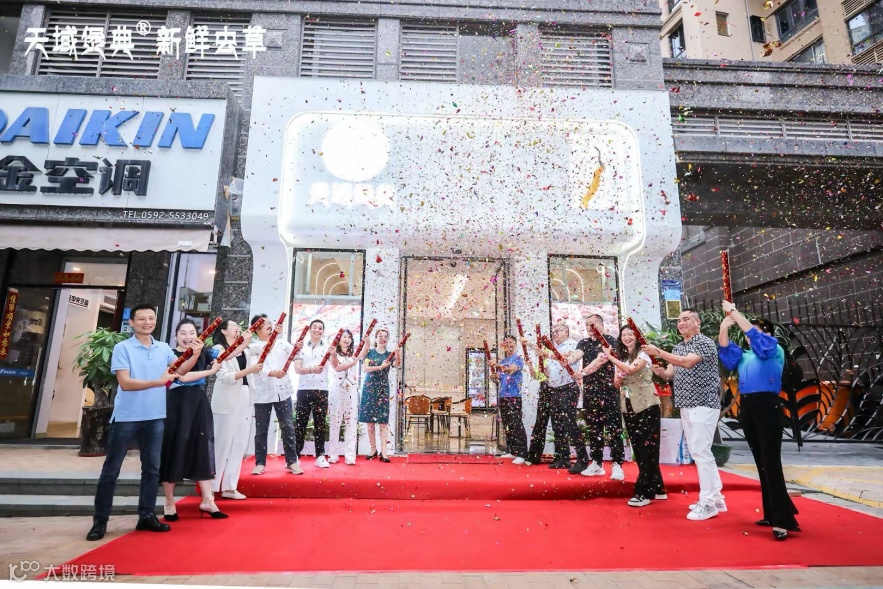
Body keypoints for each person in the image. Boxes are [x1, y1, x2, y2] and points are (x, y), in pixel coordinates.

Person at [87, 304, 199, 541]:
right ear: (132, 322)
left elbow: (180, 371)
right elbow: (126, 383)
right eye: (142, 319)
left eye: (151, 318)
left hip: (155, 416)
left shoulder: (163, 348)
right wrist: (159, 382)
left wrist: (196, 354)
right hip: (126, 417)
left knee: (151, 470)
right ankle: (100, 521)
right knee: (111, 470)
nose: (147, 322)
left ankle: (146, 515)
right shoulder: (123, 348)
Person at [718, 301, 798, 540]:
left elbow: (756, 337)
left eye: (756, 331)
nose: (749, 335)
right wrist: (724, 326)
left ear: (768, 334)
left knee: (771, 462)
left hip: (767, 406)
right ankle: (771, 512)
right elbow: (726, 353)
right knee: (761, 462)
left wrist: (735, 312)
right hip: (748, 407)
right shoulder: (746, 355)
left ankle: (783, 520)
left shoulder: (773, 349)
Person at [643, 309, 725, 521]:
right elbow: (671, 372)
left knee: (700, 452)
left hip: (703, 404)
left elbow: (687, 362)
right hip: (686, 405)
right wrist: (661, 372)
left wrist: (659, 351)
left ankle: (708, 502)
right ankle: (716, 498)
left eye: (686, 319)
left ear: (698, 323)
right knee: (700, 452)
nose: (681, 323)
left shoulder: (704, 342)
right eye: (679, 320)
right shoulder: (679, 347)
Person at [160, 320, 226, 520]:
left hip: (198, 403)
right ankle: (169, 502)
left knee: (202, 446)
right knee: (173, 448)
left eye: (191, 332)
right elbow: (183, 377)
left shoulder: (205, 352)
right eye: (183, 332)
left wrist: (243, 340)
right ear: (175, 335)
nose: (187, 337)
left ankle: (208, 500)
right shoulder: (169, 354)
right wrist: (211, 372)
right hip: (175, 405)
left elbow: (228, 354)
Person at [601, 325, 666, 506]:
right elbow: (617, 383)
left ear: (637, 337)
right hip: (628, 406)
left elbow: (630, 370)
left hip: (647, 404)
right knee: (638, 447)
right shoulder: (622, 358)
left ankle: (644, 492)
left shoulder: (644, 354)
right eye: (624, 335)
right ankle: (658, 487)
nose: (627, 337)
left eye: (631, 334)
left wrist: (610, 357)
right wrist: (618, 376)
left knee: (648, 447)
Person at [211, 319, 263, 500]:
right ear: (223, 330)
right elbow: (224, 377)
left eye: (238, 327)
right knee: (222, 442)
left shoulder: (246, 349)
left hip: (246, 395)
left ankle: (230, 487)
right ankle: (211, 487)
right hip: (227, 399)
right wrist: (249, 370)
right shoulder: (218, 349)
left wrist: (274, 332)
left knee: (240, 442)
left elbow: (264, 347)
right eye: (233, 326)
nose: (237, 329)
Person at [530, 323, 588, 474]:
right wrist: (547, 371)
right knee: (557, 425)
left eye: (559, 330)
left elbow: (567, 358)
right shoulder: (553, 348)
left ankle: (582, 459)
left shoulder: (572, 344)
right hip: (554, 390)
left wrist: (548, 354)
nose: (555, 333)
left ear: (567, 332)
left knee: (570, 424)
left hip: (568, 388)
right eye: (554, 331)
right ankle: (563, 458)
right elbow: (551, 370)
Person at [250, 315, 303, 476]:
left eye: (270, 323)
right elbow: (255, 367)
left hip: (283, 391)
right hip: (263, 393)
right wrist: (271, 373)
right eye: (265, 324)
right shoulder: (253, 347)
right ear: (256, 329)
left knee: (287, 426)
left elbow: (295, 354)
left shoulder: (282, 343)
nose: (270, 326)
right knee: (261, 429)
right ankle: (260, 463)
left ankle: (292, 462)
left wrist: (298, 347)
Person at [577, 315, 625, 481]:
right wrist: (563, 359)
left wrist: (582, 372)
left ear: (601, 324)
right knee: (594, 428)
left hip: (609, 392)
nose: (590, 327)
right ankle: (597, 463)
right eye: (587, 324)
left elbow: (601, 360)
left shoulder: (610, 341)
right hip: (590, 393)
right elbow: (576, 355)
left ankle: (617, 464)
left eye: (593, 324)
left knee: (613, 428)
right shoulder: (584, 342)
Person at [358, 329, 401, 462]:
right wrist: (380, 367)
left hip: (383, 389)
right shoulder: (369, 352)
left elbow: (396, 364)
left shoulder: (389, 354)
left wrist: (398, 354)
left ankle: (384, 451)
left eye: (385, 336)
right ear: (376, 339)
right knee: (370, 420)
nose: (383, 338)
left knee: (383, 421)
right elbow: (365, 368)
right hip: (369, 387)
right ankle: (373, 449)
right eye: (380, 336)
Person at [294, 319, 332, 468]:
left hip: (322, 389)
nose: (317, 330)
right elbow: (298, 369)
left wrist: (334, 354)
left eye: (320, 328)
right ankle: (295, 456)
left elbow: (335, 365)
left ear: (323, 331)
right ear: (309, 330)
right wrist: (312, 369)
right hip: (303, 389)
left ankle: (320, 456)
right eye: (314, 327)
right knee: (300, 423)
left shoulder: (328, 348)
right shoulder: (301, 347)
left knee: (320, 424)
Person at [489, 335, 528, 464]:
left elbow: (511, 369)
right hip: (503, 396)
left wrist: (498, 365)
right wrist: (494, 376)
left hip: (514, 396)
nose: (508, 345)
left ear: (515, 344)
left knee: (516, 424)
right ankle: (512, 451)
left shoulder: (518, 359)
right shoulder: (504, 360)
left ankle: (522, 454)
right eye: (506, 343)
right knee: (507, 425)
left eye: (511, 342)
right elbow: (498, 378)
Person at [329, 329, 360, 465]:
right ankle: (333, 454)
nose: (347, 339)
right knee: (335, 422)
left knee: (351, 422)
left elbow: (365, 351)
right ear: (338, 340)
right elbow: (336, 367)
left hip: (351, 390)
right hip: (336, 390)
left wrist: (367, 340)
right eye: (344, 337)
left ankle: (350, 456)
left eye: (349, 337)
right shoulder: (333, 353)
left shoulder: (354, 354)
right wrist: (352, 362)